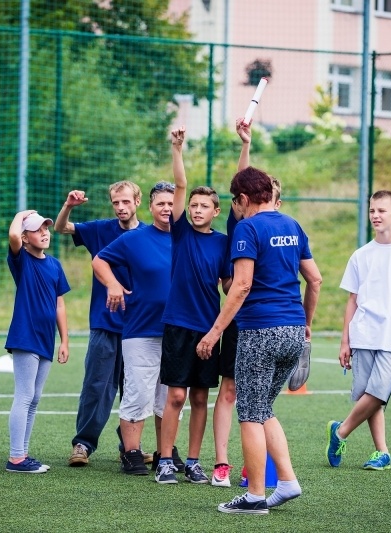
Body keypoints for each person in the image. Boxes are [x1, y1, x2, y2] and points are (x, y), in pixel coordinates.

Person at [197, 163, 322, 514]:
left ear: (243, 198)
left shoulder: (248, 228)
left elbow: (241, 285)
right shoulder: (292, 225)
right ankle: (287, 481)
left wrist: (214, 331)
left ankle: (254, 495)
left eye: (236, 202)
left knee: (249, 413)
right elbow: (315, 280)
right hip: (293, 331)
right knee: (263, 408)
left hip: (259, 332)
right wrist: (306, 323)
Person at [326, 190, 391, 471]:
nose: (376, 215)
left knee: (378, 393)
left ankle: (340, 432)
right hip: (363, 334)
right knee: (369, 396)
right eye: (372, 210)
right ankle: (381, 452)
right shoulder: (361, 255)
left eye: (382, 211)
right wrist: (344, 342)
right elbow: (352, 301)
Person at [154, 127, 231, 485]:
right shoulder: (180, 231)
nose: (197, 209)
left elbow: (231, 287)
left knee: (200, 398)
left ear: (216, 211)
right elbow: (180, 185)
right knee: (176, 395)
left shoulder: (224, 243)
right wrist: (177, 149)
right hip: (178, 324)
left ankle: (195, 461)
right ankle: (166, 460)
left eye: (204, 206)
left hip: (209, 328)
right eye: (193, 205)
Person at [53, 182, 148, 467]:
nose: (121, 207)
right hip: (105, 324)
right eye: (116, 203)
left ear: (137, 202)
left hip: (140, 327)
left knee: (136, 391)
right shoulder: (100, 230)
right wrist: (68, 206)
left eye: (126, 202)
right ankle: (82, 444)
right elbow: (61, 228)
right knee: (97, 386)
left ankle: (130, 447)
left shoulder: (151, 234)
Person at [92, 181, 178, 476]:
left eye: (172, 203)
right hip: (141, 328)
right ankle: (131, 452)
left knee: (169, 396)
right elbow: (99, 260)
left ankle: (166, 451)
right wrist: (113, 284)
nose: (167, 208)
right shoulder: (135, 239)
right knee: (138, 392)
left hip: (178, 330)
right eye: (161, 204)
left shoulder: (189, 239)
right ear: (150, 207)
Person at [4, 210, 71, 473]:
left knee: (35, 397)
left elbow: (60, 305)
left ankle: (23, 452)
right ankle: (16, 457)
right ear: (25, 237)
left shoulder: (54, 264)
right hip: (25, 335)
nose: (44, 233)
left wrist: (64, 340)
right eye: (37, 229)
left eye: (46, 228)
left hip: (46, 339)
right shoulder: (21, 260)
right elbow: (12, 234)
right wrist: (21, 215)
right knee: (24, 395)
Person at [210, 118, 256, 488]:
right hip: (239, 321)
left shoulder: (282, 227)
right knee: (229, 390)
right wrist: (246, 144)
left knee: (258, 399)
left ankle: (252, 468)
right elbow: (242, 182)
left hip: (268, 323)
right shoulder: (240, 224)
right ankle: (222, 464)